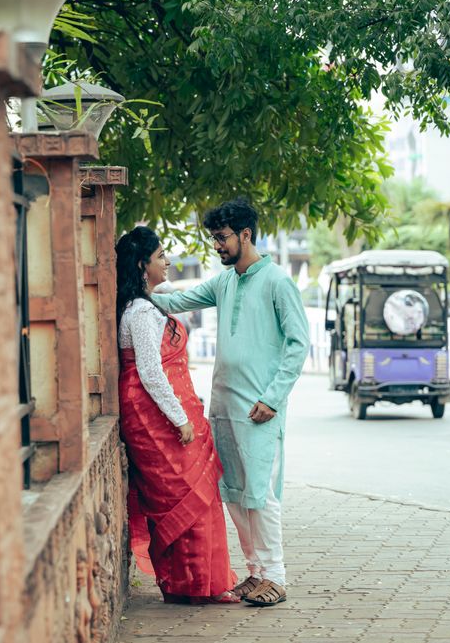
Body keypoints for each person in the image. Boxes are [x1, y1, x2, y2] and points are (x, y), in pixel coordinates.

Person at [153, 198, 309, 607]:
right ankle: (256, 573)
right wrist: (137, 284)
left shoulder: (277, 281)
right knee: (236, 494)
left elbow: (298, 344)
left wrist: (273, 399)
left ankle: (275, 574)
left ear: (246, 234)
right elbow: (175, 302)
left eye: (223, 238)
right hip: (223, 406)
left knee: (261, 493)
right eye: (214, 239)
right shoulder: (224, 283)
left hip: (260, 410)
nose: (218, 247)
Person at [115, 226, 237, 605]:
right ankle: (188, 583)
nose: (167, 261)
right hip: (152, 416)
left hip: (159, 410)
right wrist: (179, 418)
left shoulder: (148, 306)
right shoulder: (139, 313)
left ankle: (200, 583)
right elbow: (150, 372)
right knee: (182, 495)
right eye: (160, 256)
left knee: (193, 493)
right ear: (142, 264)